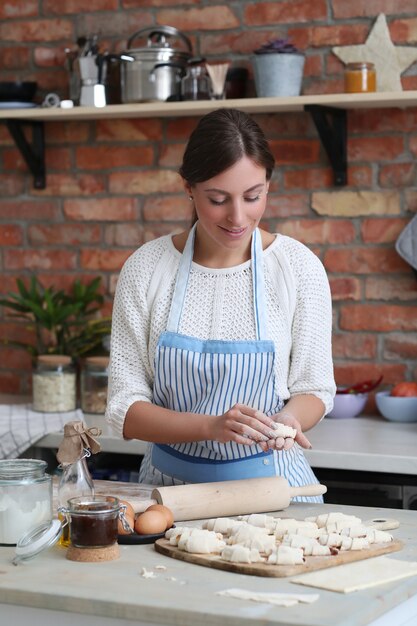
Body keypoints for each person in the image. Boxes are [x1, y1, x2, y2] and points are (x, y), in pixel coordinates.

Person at [105, 108, 335, 500]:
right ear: (188, 188)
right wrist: (211, 426)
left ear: (268, 186)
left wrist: (290, 419)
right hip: (167, 495)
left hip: (275, 493)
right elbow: (124, 409)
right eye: (217, 199)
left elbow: (315, 387)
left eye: (253, 196)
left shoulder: (298, 267)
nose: (238, 217)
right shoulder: (146, 268)